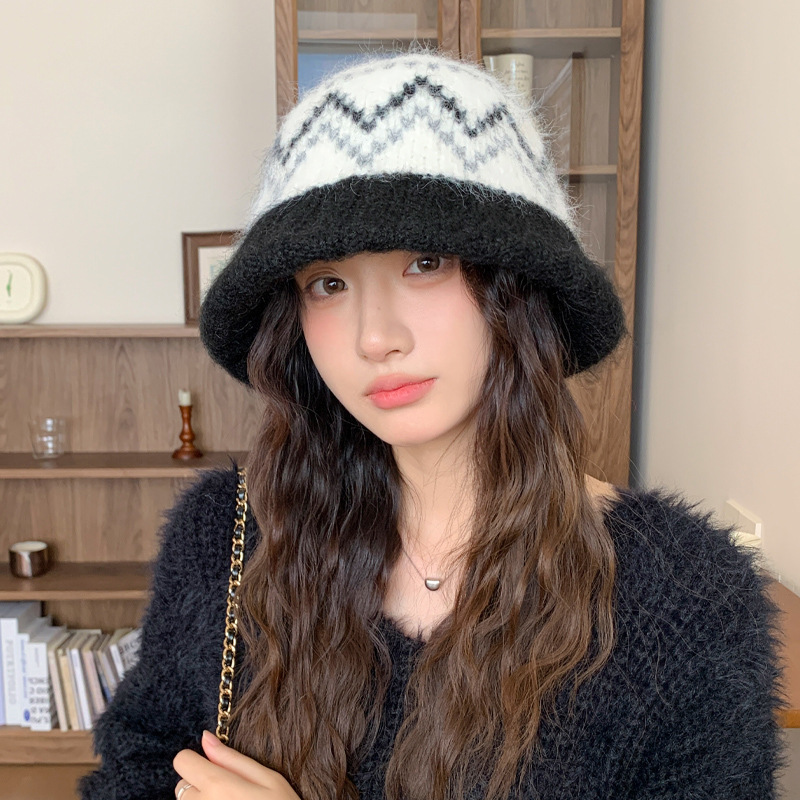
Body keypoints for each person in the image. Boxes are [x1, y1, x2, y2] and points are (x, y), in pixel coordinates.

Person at [78, 48, 789, 800]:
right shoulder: (225, 537)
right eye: (328, 283)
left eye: (426, 263)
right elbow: (139, 768)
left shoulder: (685, 598)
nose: (374, 337)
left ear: (519, 290)